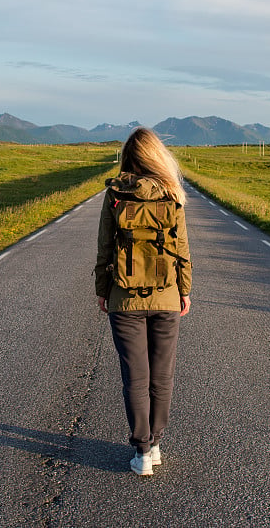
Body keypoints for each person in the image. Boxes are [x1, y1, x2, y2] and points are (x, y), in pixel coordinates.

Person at [94, 127, 192, 476]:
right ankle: (157, 443)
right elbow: (181, 250)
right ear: (157, 156)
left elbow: (105, 247)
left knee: (135, 377)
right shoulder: (173, 193)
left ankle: (143, 451)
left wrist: (103, 290)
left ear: (128, 157)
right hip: (166, 296)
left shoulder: (116, 194)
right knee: (161, 376)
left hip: (124, 299)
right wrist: (184, 289)